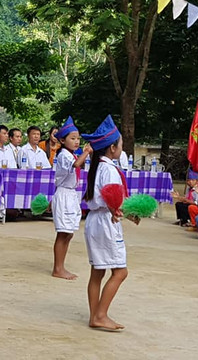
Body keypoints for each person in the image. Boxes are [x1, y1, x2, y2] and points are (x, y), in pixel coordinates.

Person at [82, 115, 128, 332]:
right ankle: (100, 315)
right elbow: (113, 200)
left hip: (95, 221)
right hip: (106, 222)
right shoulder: (109, 168)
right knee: (120, 272)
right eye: (120, 144)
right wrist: (121, 211)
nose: (121, 147)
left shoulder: (97, 166)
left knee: (97, 271)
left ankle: (95, 316)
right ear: (112, 147)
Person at [50, 117, 91, 281]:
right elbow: (75, 166)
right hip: (64, 194)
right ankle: (58, 268)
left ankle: (60, 266)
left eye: (78, 138)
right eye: (72, 138)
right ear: (62, 140)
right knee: (63, 232)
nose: (76, 141)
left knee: (69, 233)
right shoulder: (64, 156)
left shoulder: (72, 155)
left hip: (71, 194)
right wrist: (86, 152)